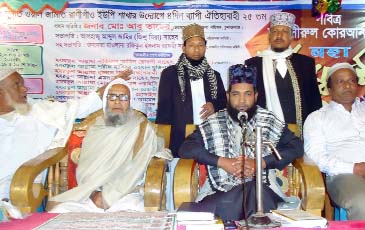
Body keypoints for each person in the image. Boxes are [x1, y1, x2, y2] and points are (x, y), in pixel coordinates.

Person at [179, 64, 303, 221]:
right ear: (228, 96)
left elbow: (296, 147)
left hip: (263, 192)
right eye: (236, 94)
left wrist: (261, 163)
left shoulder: (268, 120)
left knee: (253, 189)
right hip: (221, 194)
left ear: (256, 95)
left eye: (248, 94)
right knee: (251, 196)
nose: (242, 101)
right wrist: (222, 162)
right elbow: (186, 148)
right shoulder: (214, 122)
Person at [0, 68, 131, 201]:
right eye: (17, 85)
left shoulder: (40, 113)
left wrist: (109, 87)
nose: (24, 89)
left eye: (22, 84)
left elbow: (81, 107)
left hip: (21, 193)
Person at [49, 78, 172, 212]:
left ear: (130, 102)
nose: (117, 101)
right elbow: (85, 169)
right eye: (112, 96)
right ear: (105, 101)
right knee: (60, 211)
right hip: (91, 194)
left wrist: (109, 196)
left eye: (123, 97)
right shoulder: (95, 128)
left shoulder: (142, 129)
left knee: (138, 214)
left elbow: (136, 170)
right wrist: (93, 193)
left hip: (126, 194)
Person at [304, 62, 365, 220]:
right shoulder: (317, 118)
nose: (347, 86)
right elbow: (317, 156)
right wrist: (354, 168)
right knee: (364, 205)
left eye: (351, 81)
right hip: (345, 176)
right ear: (329, 89)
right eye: (340, 82)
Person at [245, 12, 321, 136]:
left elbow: (314, 101)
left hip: (301, 134)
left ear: (291, 36)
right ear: (269, 36)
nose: (279, 35)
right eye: (275, 31)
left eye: (284, 31)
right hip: (265, 132)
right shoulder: (253, 64)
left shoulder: (306, 63)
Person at [156, 23, 227, 157]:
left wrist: (214, 105)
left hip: (209, 134)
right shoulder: (170, 74)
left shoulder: (214, 75)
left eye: (200, 45)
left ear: (205, 47)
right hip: (179, 136)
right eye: (191, 45)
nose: (196, 50)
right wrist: (162, 143)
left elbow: (224, 102)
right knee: (181, 175)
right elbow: (164, 110)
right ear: (184, 48)